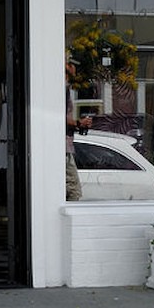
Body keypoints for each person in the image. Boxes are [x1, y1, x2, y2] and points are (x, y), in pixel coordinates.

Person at [65, 55, 92, 200]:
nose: (75, 68)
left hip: (65, 146)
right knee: (73, 190)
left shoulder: (65, 89)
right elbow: (57, 116)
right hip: (63, 147)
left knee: (68, 188)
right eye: (71, 63)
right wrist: (78, 123)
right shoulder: (62, 89)